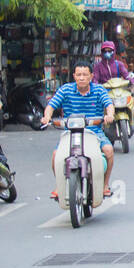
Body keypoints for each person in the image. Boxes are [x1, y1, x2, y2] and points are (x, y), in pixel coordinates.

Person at [42, 61, 116, 198]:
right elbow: (51, 106)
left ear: (91, 76)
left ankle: (105, 185)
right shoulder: (65, 90)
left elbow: (109, 104)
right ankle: (60, 185)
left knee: (109, 151)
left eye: (85, 75)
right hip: (70, 132)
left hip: (94, 132)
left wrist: (109, 115)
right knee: (55, 156)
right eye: (79, 74)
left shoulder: (99, 90)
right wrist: (47, 117)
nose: (81, 78)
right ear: (74, 76)